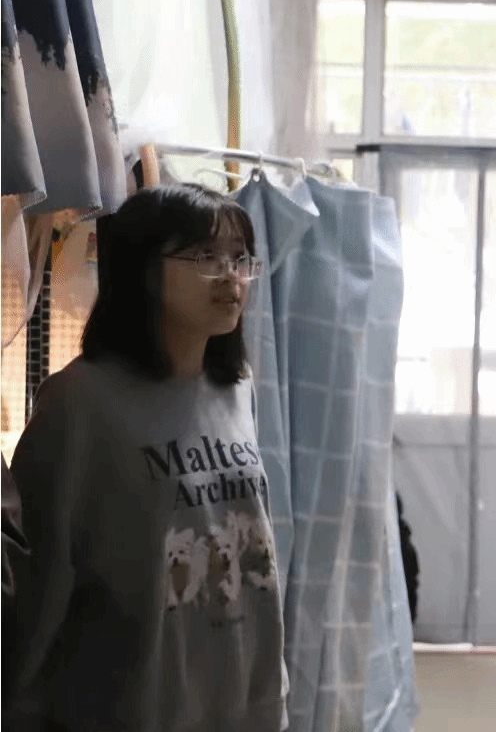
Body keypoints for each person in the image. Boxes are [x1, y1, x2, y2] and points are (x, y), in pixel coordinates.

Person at [6, 184, 288, 732]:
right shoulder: (80, 402)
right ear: (142, 269)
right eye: (206, 257)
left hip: (239, 703)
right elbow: (39, 579)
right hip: (131, 706)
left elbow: (256, 553)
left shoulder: (235, 389)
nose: (232, 276)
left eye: (240, 259)